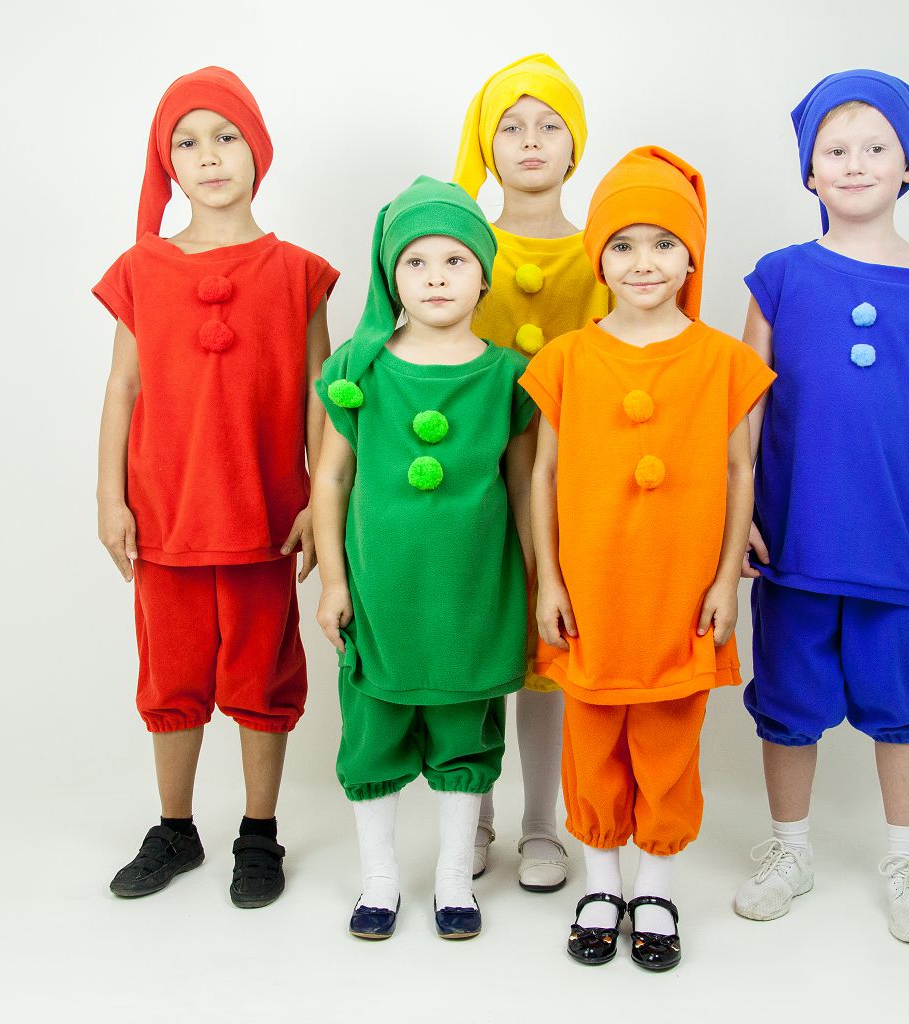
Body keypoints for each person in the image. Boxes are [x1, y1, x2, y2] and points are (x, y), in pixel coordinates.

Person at [734, 70, 909, 945]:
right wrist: (738, 513)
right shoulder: (778, 277)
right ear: (809, 171)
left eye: (875, 147)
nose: (854, 163)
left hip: (894, 541)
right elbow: (744, 407)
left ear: (906, 164)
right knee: (787, 697)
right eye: (834, 150)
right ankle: (789, 850)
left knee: (899, 697)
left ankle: (906, 860)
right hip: (793, 537)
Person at [521, 147, 774, 970]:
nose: (643, 262)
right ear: (597, 256)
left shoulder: (723, 362)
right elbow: (544, 473)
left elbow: (739, 472)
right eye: (623, 244)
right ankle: (601, 884)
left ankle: (656, 886)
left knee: (668, 741)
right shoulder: (565, 358)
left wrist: (725, 581)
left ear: (691, 257)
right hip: (592, 592)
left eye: (664, 243)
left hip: (679, 592)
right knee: (591, 737)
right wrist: (548, 581)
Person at [92, 67, 337, 909]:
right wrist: (109, 498)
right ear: (167, 162)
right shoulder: (141, 268)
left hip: (265, 516)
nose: (208, 156)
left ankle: (258, 833)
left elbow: (318, 396)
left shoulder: (298, 273)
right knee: (171, 676)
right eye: (187, 142)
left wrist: (317, 504)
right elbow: (122, 387)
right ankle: (175, 828)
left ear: (256, 149)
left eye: (225, 136)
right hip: (165, 512)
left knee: (262, 676)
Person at [312, 176, 537, 941]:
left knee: (463, 730)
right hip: (381, 593)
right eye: (415, 262)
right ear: (390, 274)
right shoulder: (360, 369)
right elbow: (331, 477)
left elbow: (523, 486)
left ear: (484, 273)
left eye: (453, 260)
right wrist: (333, 581)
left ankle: (452, 880)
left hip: (472, 595)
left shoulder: (507, 376)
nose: (435, 277)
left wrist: (536, 581)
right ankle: (379, 879)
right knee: (372, 728)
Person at [453, 53, 610, 891]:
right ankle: (473, 814)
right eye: (510, 126)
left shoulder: (604, 254)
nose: (530, 140)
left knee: (549, 650)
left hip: (570, 486)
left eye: (550, 124)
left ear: (575, 145)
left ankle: (540, 823)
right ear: (487, 144)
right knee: (482, 639)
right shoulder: (455, 248)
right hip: (473, 484)